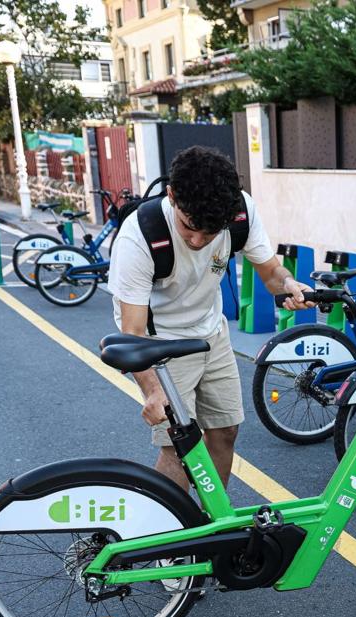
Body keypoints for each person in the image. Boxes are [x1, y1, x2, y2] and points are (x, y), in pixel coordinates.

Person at [108, 146, 314, 490]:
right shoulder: (140, 235)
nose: (198, 240)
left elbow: (271, 273)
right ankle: (168, 533)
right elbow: (133, 333)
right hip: (161, 345)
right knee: (178, 448)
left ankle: (211, 525)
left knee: (225, 429)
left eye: (211, 232)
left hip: (211, 333)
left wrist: (290, 284)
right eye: (190, 227)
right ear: (172, 196)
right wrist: (153, 391)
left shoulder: (239, 212)